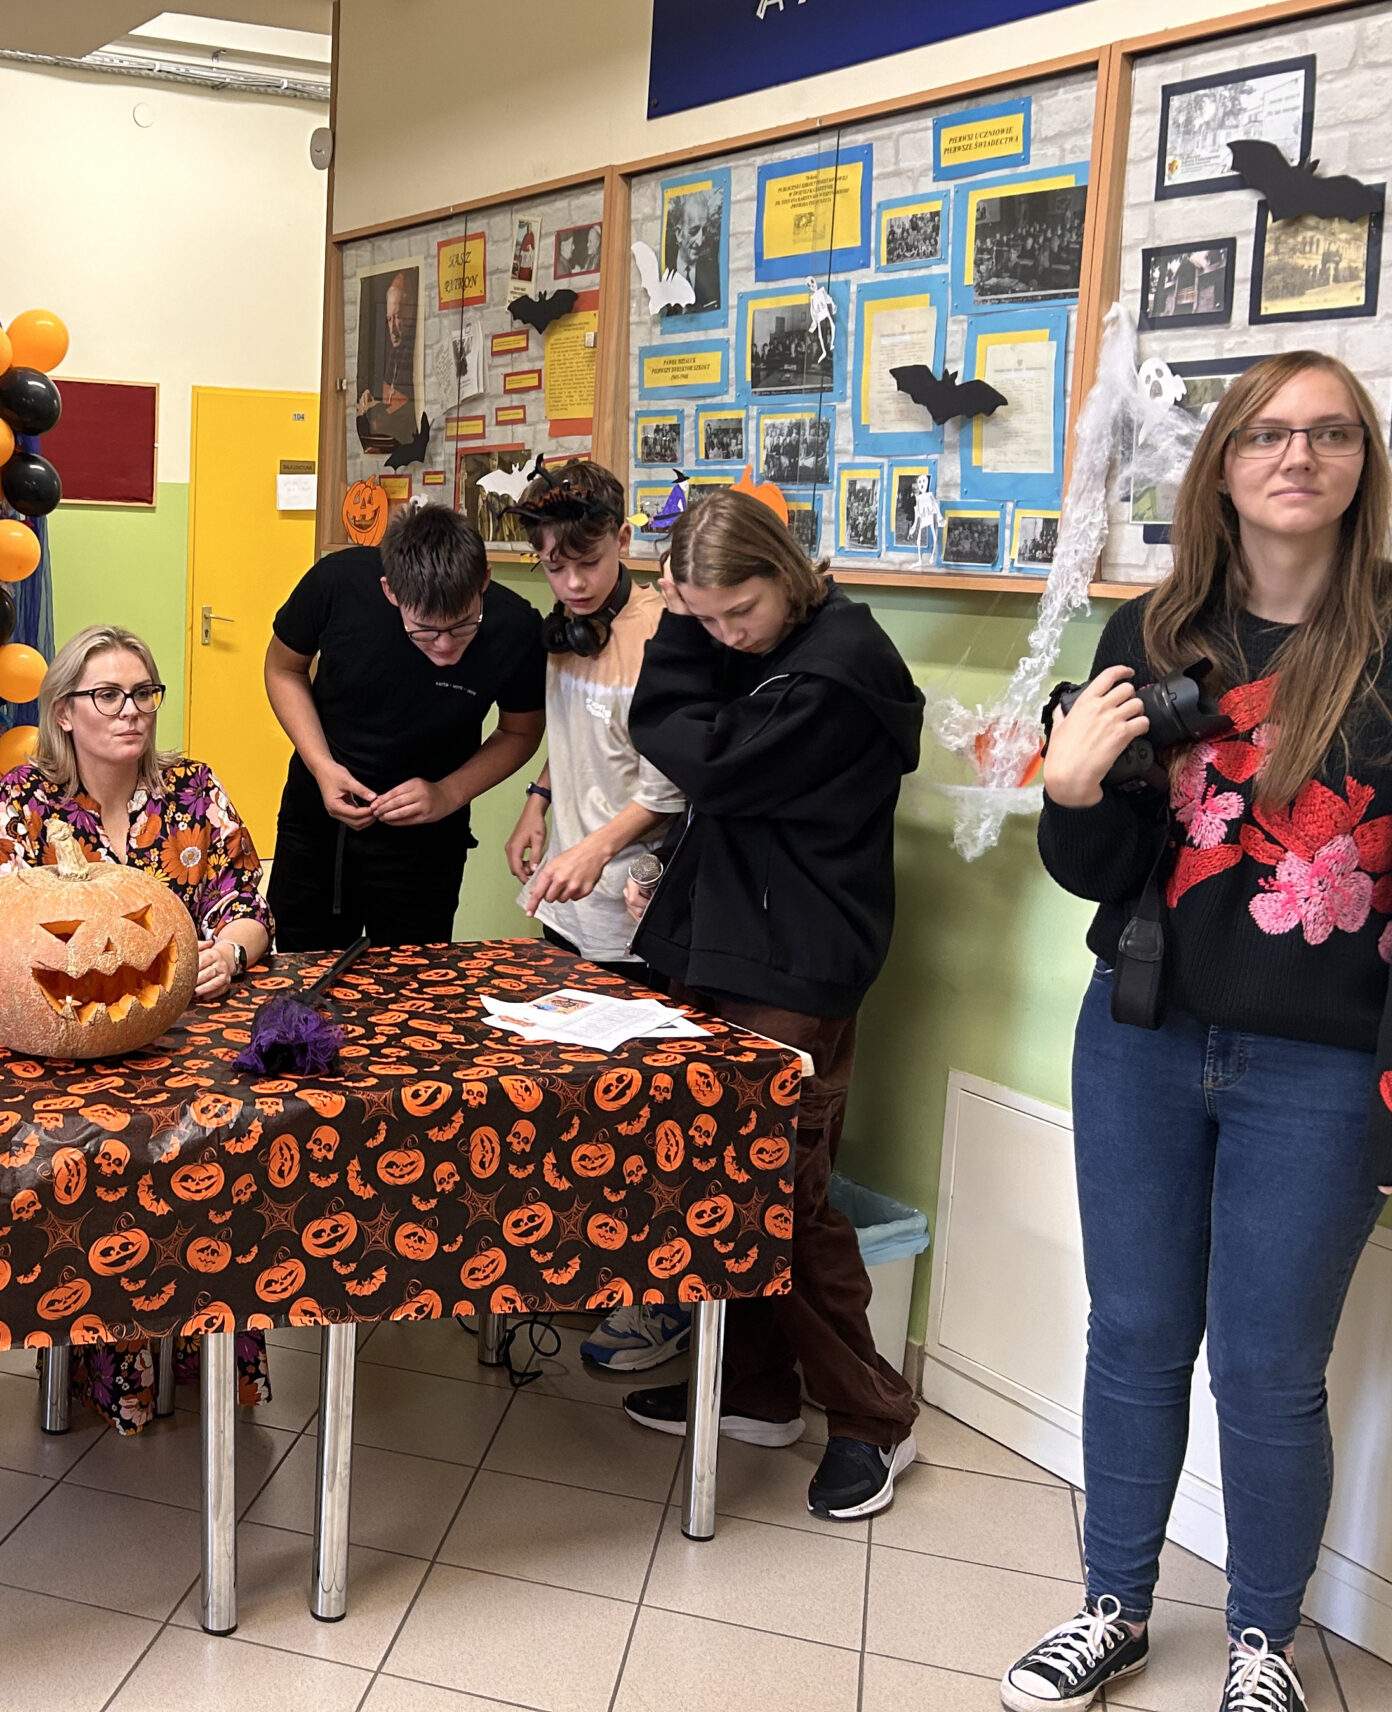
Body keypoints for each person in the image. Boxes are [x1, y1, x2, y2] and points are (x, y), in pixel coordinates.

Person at [1001, 353, 1392, 1712]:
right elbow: (1105, 872)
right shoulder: (1153, 631)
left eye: (1330, 434)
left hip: (1325, 1070)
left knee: (1271, 1371)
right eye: (1268, 435)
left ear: (1362, 465)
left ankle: (1259, 1644)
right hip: (1143, 1039)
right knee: (1134, 1334)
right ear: (1221, 466)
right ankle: (1112, 1608)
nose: (1298, 457)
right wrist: (1070, 789)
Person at [618, 490, 926, 1521]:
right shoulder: (776, 644)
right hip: (729, 943)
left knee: (782, 1198)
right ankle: (754, 1389)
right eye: (702, 618)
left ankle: (874, 1416)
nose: (725, 635)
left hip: (793, 965)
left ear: (786, 574)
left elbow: (703, 757)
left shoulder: (838, 672)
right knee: (720, 1178)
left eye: (736, 612)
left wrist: (672, 629)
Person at [0, 624, 273, 1430]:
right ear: (64, 712)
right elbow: (7, 930)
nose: (131, 710)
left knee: (218, 1180)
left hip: (192, 1037)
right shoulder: (25, 798)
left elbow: (248, 903)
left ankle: (211, 1362)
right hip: (72, 1045)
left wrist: (231, 954)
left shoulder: (193, 788)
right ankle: (113, 1374)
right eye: (107, 695)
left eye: (143, 692)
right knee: (106, 1198)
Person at [496, 463, 692, 1376]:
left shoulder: (661, 637)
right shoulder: (566, 636)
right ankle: (587, 1265)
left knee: (644, 1119)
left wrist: (594, 852)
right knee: (572, 1105)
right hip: (572, 907)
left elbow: (668, 787)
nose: (570, 582)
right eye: (552, 565)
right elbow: (578, 742)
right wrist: (539, 803)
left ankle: (660, 1300)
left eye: (586, 561)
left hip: (637, 908)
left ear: (623, 539)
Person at [264, 502, 544, 950]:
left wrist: (448, 793)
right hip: (319, 823)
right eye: (425, 631)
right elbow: (283, 669)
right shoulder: (336, 583)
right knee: (303, 968)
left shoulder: (517, 627)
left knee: (413, 978)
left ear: (484, 580)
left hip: (428, 838)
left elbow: (520, 732)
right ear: (390, 591)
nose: (446, 647)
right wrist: (321, 765)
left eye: (464, 626)